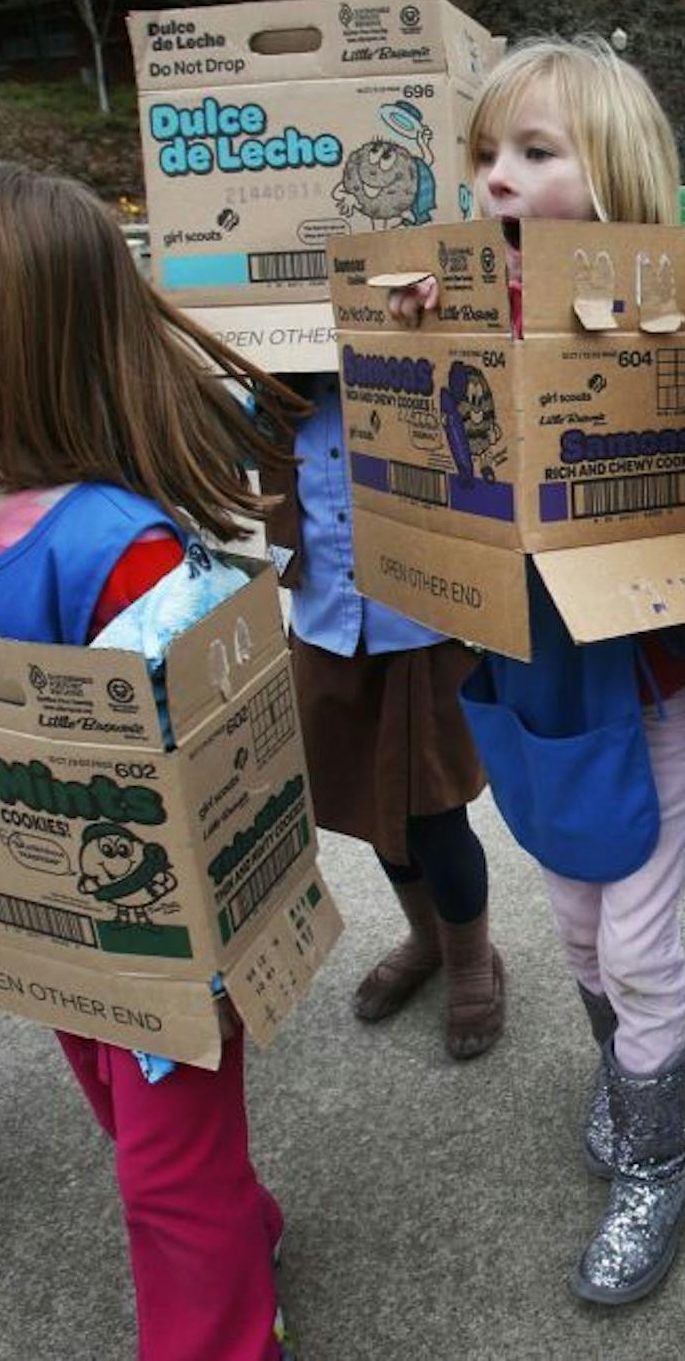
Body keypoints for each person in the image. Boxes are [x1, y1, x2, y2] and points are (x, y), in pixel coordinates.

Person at [0, 157, 306, 1359]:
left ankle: (224, 1325)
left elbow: (207, 766)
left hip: (154, 936)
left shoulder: (119, 549)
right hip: (35, 922)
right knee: (123, 1121)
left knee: (159, 1176)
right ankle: (240, 1224)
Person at [387, 35, 685, 1306]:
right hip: (531, 690)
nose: (497, 182)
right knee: (579, 928)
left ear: (617, 171)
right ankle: (623, 1067)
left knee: (634, 939)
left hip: (641, 688)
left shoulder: (656, 308)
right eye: (484, 157)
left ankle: (659, 1162)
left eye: (535, 153)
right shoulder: (465, 296)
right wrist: (424, 335)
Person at [259, 386, 501, 1057]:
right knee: (371, 799)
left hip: (415, 619)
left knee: (433, 808)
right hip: (326, 616)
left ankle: (471, 955)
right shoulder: (276, 375)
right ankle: (427, 937)